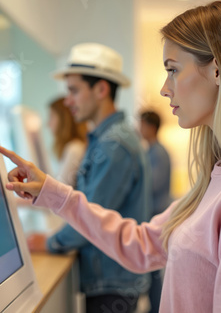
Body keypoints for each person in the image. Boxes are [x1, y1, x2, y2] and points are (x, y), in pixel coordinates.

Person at [0, 1, 221, 312]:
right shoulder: (220, 178)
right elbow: (141, 244)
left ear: (217, 71)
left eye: (173, 70)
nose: (164, 89)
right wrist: (51, 192)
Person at [28, 43, 151, 312]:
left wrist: (49, 243)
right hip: (111, 279)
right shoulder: (106, 140)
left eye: (74, 91)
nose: (68, 101)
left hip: (112, 282)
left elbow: (91, 217)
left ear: (101, 90)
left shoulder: (113, 146)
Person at [139, 110, 171, 313]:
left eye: (141, 125)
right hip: (152, 212)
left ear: (150, 127)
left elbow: (154, 184)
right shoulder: (150, 151)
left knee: (154, 268)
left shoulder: (158, 152)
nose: (138, 129)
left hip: (156, 213)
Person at [48, 97, 87, 187]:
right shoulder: (74, 146)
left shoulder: (75, 148)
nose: (48, 123)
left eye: (52, 117)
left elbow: (58, 191)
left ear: (64, 119)